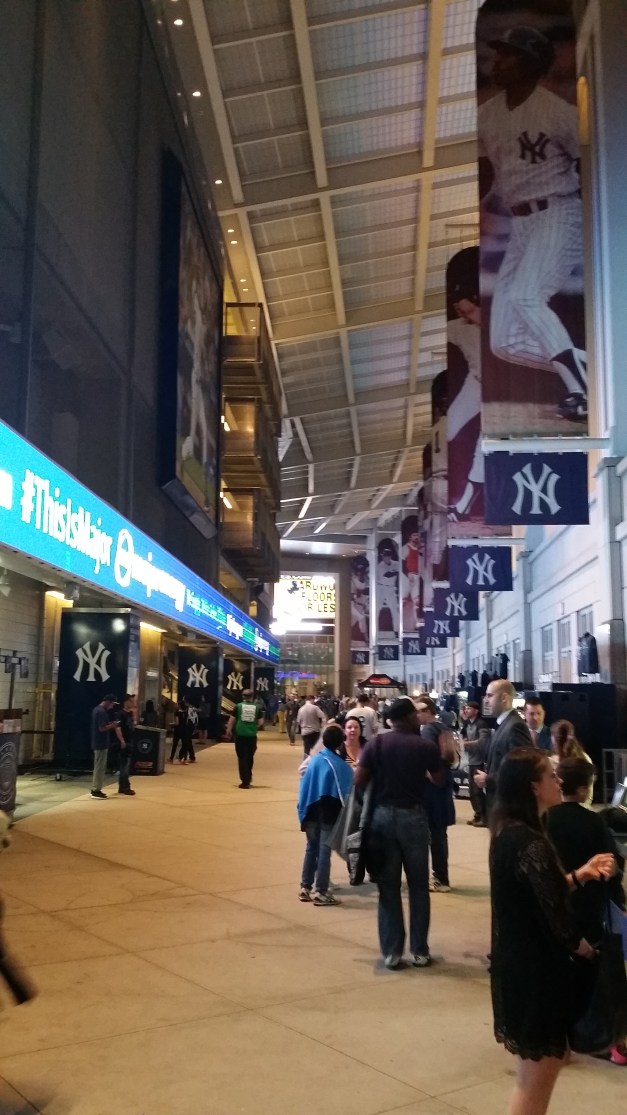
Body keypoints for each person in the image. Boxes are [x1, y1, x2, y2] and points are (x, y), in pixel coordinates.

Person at [490, 748, 616, 1115]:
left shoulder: (509, 833)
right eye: (549, 776)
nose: (557, 781)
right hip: (536, 977)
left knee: (537, 1075)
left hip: (520, 971)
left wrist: (581, 874)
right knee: (535, 1085)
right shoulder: (531, 843)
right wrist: (591, 953)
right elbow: (558, 922)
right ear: (533, 787)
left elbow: (540, 892)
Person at [479, 26, 587, 423]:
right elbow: (488, 172)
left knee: (527, 296)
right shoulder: (487, 115)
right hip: (520, 222)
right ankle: (600, 370)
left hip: (560, 211)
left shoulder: (558, 113)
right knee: (504, 342)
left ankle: (583, 392)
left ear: (531, 64)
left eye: (509, 54)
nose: (498, 60)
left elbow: (589, 164)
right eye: (499, 52)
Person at [546, 756, 627, 1066]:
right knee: (592, 973)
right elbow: (611, 868)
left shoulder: (545, 819)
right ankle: (599, 1035)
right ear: (583, 789)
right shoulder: (594, 822)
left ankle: (560, 1038)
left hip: (558, 905)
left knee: (560, 974)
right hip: (589, 907)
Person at [355, 696, 445, 970]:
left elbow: (359, 779)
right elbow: (439, 780)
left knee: (388, 888)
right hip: (413, 818)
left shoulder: (377, 743)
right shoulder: (424, 746)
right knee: (418, 886)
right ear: (408, 717)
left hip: (382, 819)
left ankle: (392, 953)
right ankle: (419, 951)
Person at [297, 724, 353, 907]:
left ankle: (305, 887)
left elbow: (304, 786)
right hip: (328, 814)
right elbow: (346, 795)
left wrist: (301, 811)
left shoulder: (314, 760)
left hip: (311, 811)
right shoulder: (340, 766)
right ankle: (321, 891)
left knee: (311, 848)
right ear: (340, 742)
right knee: (324, 851)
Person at [415, 697, 456, 893]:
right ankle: (442, 876)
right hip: (443, 788)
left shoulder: (429, 730)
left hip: (431, 791)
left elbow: (426, 758)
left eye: (419, 711)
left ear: (428, 711)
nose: (416, 715)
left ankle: (439, 878)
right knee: (440, 835)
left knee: (434, 836)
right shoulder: (443, 728)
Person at [474, 680, 531, 816]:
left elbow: (521, 770)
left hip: (508, 807)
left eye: (490, 696)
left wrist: (488, 779)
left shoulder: (516, 726)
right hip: (499, 804)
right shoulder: (505, 724)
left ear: (504, 698)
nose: (486, 701)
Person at [460, 699, 490, 826]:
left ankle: (484, 816)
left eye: (469, 708)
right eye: (466, 708)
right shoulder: (467, 724)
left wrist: (465, 743)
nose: (466, 710)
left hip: (479, 761)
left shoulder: (481, 724)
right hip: (470, 760)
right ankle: (477, 815)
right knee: (472, 792)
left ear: (476, 711)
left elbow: (482, 742)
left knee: (478, 791)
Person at [226, 689, 264, 789]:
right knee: (250, 757)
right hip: (251, 736)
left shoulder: (238, 706)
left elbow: (232, 720)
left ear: (243, 696)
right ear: (252, 696)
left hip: (240, 735)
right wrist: (253, 725)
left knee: (242, 757)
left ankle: (245, 781)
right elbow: (260, 722)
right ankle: (248, 776)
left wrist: (229, 730)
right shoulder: (257, 707)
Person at [550, 719, 593, 805]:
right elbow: (589, 795)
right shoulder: (585, 758)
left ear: (554, 738)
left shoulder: (551, 763)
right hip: (582, 809)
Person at [90, 694, 119, 800]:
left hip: (98, 743)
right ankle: (95, 790)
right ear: (108, 701)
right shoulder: (101, 712)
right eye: (112, 704)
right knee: (99, 767)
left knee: (98, 766)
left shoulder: (96, 710)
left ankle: (96, 789)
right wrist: (113, 725)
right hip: (101, 743)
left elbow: (101, 726)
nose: (112, 707)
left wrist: (110, 724)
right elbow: (102, 728)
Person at [112, 694, 136, 797]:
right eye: (131, 701)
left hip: (129, 741)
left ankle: (122, 786)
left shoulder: (130, 713)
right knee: (124, 765)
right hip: (124, 742)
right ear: (126, 702)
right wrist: (122, 741)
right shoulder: (120, 714)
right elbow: (117, 728)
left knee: (125, 764)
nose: (133, 703)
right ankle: (125, 786)